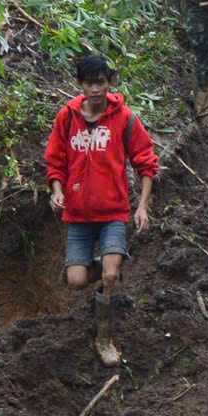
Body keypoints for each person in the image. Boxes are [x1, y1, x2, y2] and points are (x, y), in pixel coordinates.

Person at [42, 54, 158, 366]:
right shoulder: (66, 117)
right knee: (77, 281)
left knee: (110, 274)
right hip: (79, 214)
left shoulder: (125, 119)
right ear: (80, 84)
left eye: (101, 82)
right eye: (89, 82)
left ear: (110, 83)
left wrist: (142, 206)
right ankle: (108, 265)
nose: (96, 89)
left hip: (113, 212)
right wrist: (57, 191)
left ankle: (104, 337)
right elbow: (55, 160)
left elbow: (146, 162)